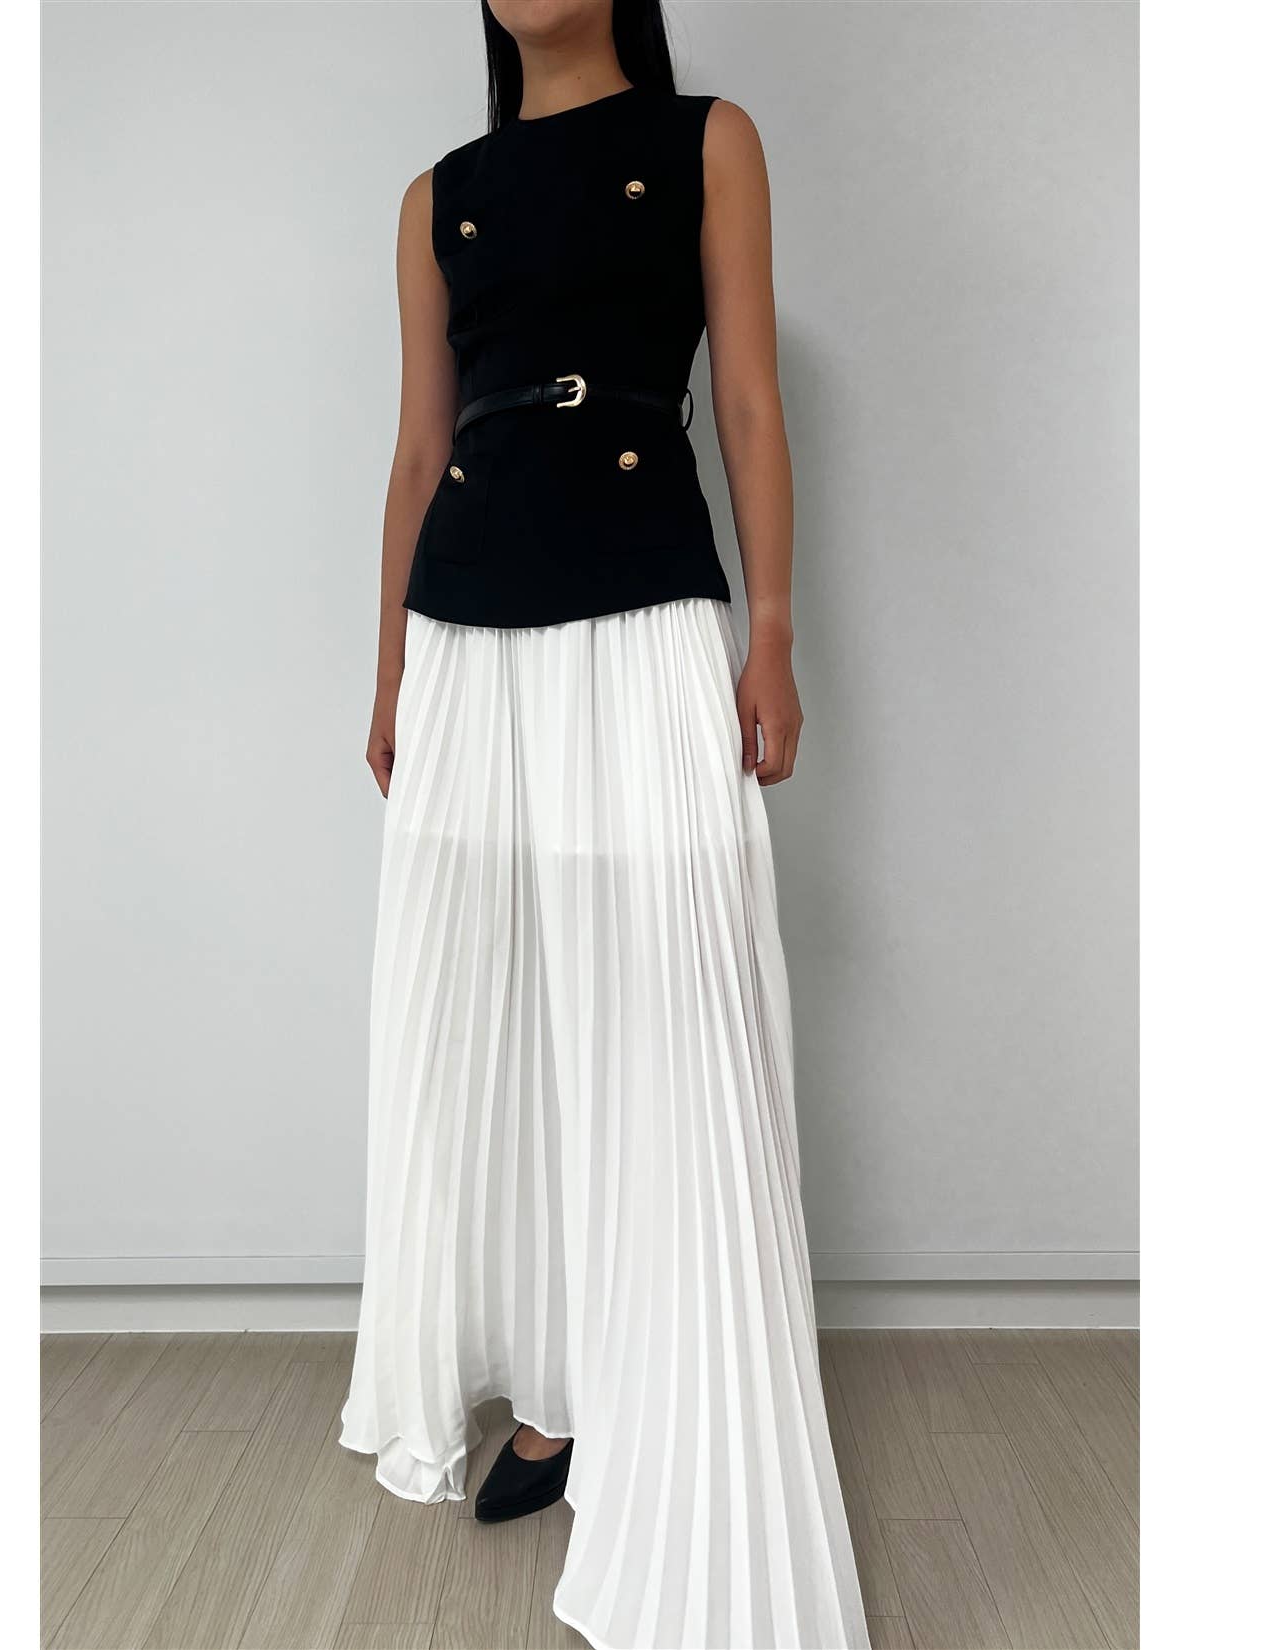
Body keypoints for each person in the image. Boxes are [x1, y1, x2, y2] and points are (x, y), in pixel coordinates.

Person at [339, 3, 869, 1644]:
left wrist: (770, 632)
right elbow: (419, 445)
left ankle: (676, 1403)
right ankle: (560, 1385)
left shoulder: (706, 140)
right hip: (467, 624)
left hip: (642, 598)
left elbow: (752, 402)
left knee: (665, 998)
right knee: (507, 1007)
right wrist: (389, 673)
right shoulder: (438, 194)